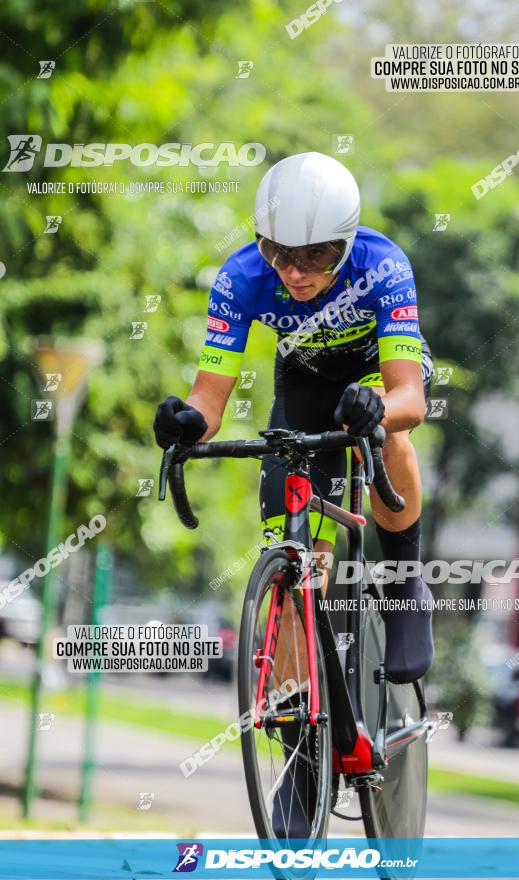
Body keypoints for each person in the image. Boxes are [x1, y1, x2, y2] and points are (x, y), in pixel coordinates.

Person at [154, 151, 434, 836]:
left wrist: (375, 407)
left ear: (345, 243)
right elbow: (209, 396)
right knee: (293, 550)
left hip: (378, 374)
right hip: (304, 383)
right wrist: (188, 424)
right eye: (279, 254)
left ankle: (401, 582)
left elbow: (410, 396)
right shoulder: (240, 277)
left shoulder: (382, 264)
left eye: (315, 257)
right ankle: (304, 760)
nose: (295, 273)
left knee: (388, 436)